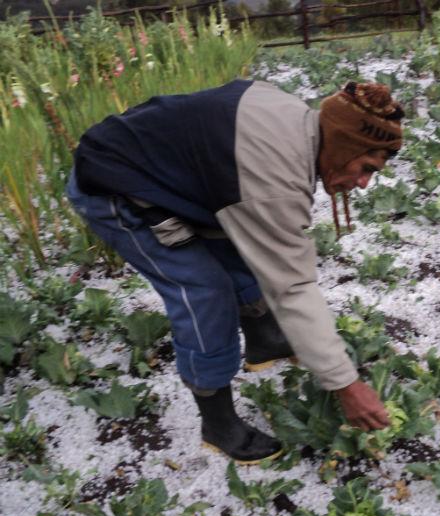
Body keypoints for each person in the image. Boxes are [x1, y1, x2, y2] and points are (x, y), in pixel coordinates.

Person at [67, 79, 404, 463]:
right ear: (343, 144)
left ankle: (264, 341)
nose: (362, 184)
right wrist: (346, 384)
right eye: (366, 168)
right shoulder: (274, 180)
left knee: (243, 246)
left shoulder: (300, 122)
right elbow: (292, 287)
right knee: (204, 291)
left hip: (168, 176)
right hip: (115, 185)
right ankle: (218, 423)